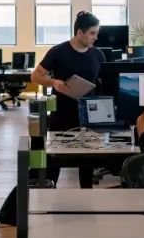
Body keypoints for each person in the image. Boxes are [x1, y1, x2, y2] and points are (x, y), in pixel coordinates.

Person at [31, 11, 106, 188]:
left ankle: (86, 197)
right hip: (62, 114)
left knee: (87, 162)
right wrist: (53, 82)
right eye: (92, 33)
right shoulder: (58, 52)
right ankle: (49, 192)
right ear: (80, 32)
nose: (96, 37)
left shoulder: (98, 55)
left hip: (88, 115)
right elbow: (35, 76)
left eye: (96, 33)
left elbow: (104, 83)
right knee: (55, 159)